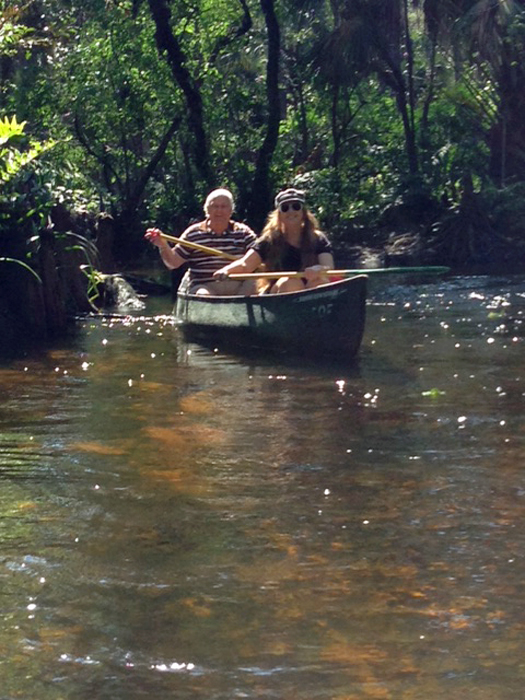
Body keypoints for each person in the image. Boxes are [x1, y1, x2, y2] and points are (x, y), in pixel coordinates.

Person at [214, 188, 334, 293]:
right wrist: (226, 271)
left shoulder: (318, 238)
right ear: (279, 215)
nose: (291, 211)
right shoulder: (269, 240)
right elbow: (246, 265)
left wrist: (318, 270)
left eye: (296, 206)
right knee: (291, 282)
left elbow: (328, 267)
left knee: (321, 282)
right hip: (277, 294)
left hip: (309, 292)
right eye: (285, 208)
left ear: (303, 212)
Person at [144, 188, 256, 295]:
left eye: (224, 206)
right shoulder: (193, 234)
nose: (219, 211)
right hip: (205, 286)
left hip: (240, 287)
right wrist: (163, 245)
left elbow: (262, 255)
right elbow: (173, 263)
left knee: (257, 283)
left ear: (231, 210)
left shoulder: (244, 233)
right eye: (215, 206)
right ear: (207, 210)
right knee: (203, 294)